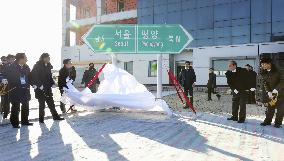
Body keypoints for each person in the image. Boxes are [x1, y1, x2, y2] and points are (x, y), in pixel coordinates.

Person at [31, 53, 64, 123]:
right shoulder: (37, 66)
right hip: (40, 89)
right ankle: (41, 119)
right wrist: (39, 85)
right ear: (43, 58)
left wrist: (53, 83)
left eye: (49, 57)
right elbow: (34, 76)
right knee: (42, 104)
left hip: (48, 88)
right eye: (47, 57)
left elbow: (49, 76)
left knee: (51, 103)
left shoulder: (48, 66)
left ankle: (56, 116)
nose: (49, 59)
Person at [3, 53, 33, 128]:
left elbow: (30, 77)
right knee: (16, 107)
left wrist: (33, 84)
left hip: (25, 89)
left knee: (25, 106)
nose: (27, 59)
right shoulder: (11, 67)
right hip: (15, 89)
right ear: (21, 59)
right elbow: (6, 77)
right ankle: (15, 123)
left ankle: (25, 121)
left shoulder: (27, 67)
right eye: (25, 58)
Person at [259, 58, 284, 128]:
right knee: (270, 107)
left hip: (282, 93)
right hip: (273, 94)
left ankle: (278, 123)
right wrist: (268, 91)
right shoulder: (263, 72)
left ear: (269, 64)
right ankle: (267, 121)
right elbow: (265, 83)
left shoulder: (278, 70)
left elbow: (283, 81)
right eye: (261, 64)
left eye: (264, 64)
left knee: (280, 109)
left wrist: (276, 89)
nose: (262, 66)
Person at [1, 54, 14, 119]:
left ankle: (13, 113)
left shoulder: (16, 66)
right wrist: (3, 79)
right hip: (4, 86)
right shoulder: (3, 66)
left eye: (13, 59)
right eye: (3, 60)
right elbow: (2, 75)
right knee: (5, 99)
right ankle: (5, 113)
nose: (4, 61)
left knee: (14, 100)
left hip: (13, 86)